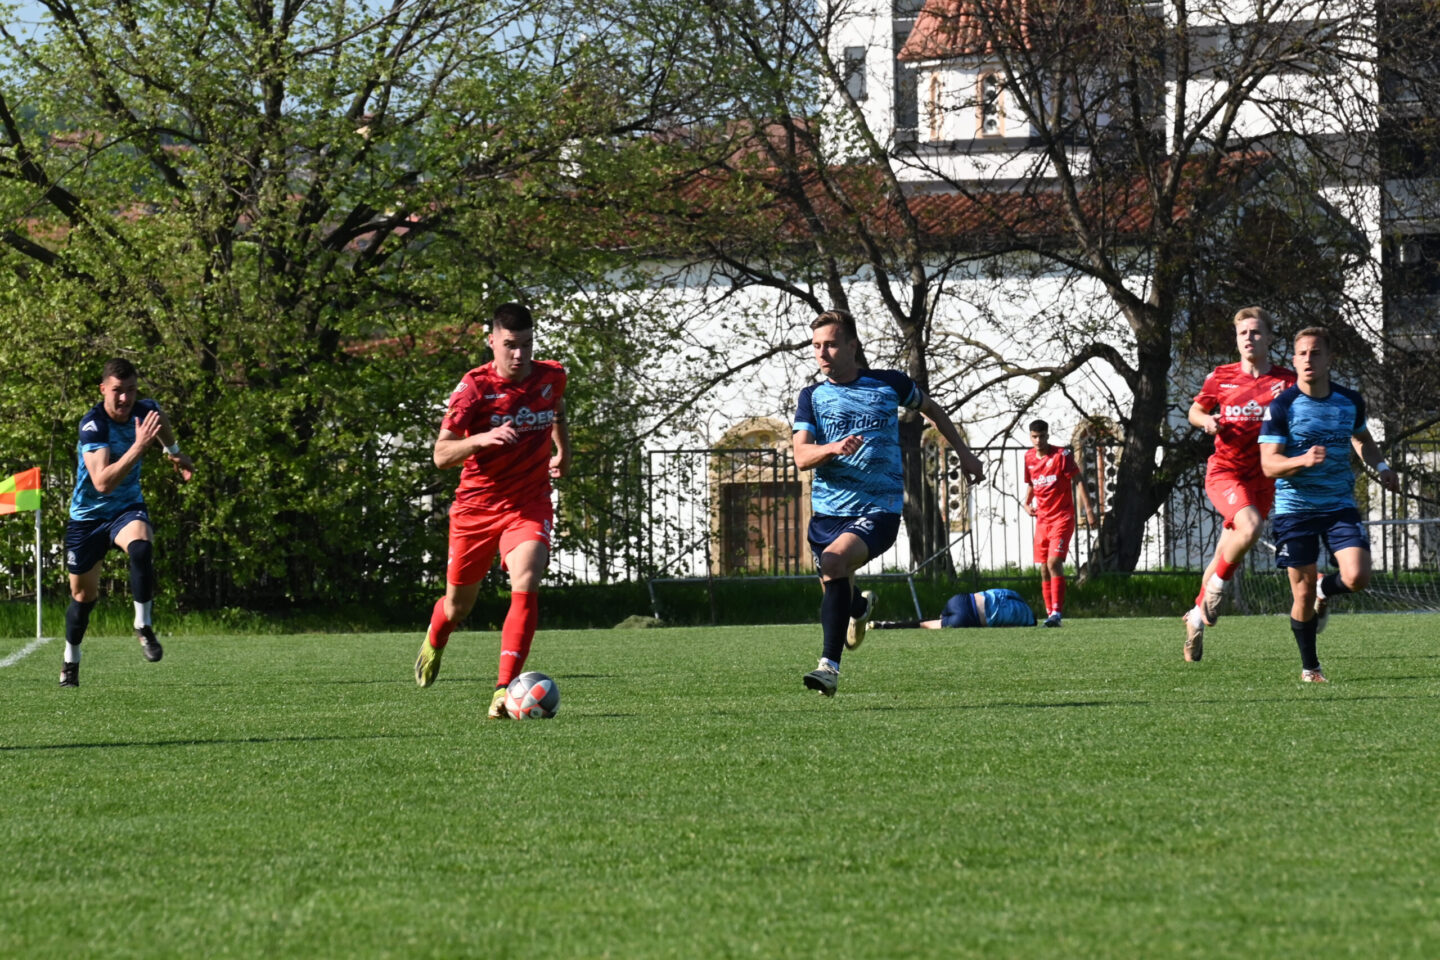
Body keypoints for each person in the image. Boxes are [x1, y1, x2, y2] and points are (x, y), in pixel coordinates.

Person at [792, 309, 986, 696]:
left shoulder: (889, 383)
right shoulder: (811, 397)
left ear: (852, 345)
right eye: (816, 346)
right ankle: (858, 609)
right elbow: (801, 456)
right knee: (834, 580)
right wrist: (832, 448)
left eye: (830, 344)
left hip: (878, 509)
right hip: (828, 513)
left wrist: (964, 453)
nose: (822, 353)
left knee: (833, 563)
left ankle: (828, 668)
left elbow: (931, 409)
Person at [414, 303, 570, 719]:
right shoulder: (474, 387)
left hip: (528, 502)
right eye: (510, 345)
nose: (519, 355)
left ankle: (503, 690)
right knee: (457, 607)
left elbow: (556, 407)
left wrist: (563, 449)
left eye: (527, 345)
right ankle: (436, 636)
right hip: (476, 508)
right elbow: (441, 455)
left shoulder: (551, 375)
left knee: (527, 577)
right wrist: (481, 439)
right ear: (492, 341)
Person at [1259, 326, 1400, 682]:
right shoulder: (1282, 406)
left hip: (1338, 504)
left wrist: (1382, 467)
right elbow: (1269, 464)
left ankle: (1327, 587)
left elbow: (1362, 438)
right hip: (1295, 509)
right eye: (1302, 353)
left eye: (1316, 352)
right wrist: (1302, 461)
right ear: (1294, 360)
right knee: (1302, 593)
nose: (1309, 359)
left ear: (1329, 359)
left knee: (1357, 577)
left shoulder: (1348, 401)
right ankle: (1311, 668)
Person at [60, 358, 196, 687]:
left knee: (141, 547)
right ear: (103, 389)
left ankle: (143, 625)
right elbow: (102, 483)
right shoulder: (93, 425)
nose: (125, 398)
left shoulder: (145, 410)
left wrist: (174, 451)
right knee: (83, 597)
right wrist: (139, 446)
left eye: (131, 390)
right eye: (118, 391)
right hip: (88, 519)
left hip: (126, 509)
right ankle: (70, 659)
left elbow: (159, 417)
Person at [1182, 307, 1297, 661]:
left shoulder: (1286, 382)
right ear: (1236, 339)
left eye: (1256, 332)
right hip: (1226, 472)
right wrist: (1206, 422)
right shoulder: (1221, 377)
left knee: (1225, 551)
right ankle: (1217, 589)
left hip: (1263, 477)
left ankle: (1196, 618)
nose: (1249, 338)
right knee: (1250, 527)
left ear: (1269, 338)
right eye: (1243, 332)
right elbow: (1195, 411)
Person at [1022, 419, 1097, 627]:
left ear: (1048, 435)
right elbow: (1032, 483)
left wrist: (1089, 510)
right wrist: (1026, 503)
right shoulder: (1028, 457)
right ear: (1030, 437)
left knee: (1053, 562)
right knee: (1043, 568)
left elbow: (1078, 480)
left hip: (1062, 517)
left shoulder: (1061, 455)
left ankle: (1057, 613)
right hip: (1042, 520)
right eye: (1035, 437)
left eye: (1042, 436)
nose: (1038, 440)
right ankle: (1049, 614)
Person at [871, 588, 1037, 629]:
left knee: (935, 620)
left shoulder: (1016, 597)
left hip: (961, 600)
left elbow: (1001, 592)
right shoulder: (1026, 620)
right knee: (927, 625)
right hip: (968, 618)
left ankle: (887, 624)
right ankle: (886, 625)